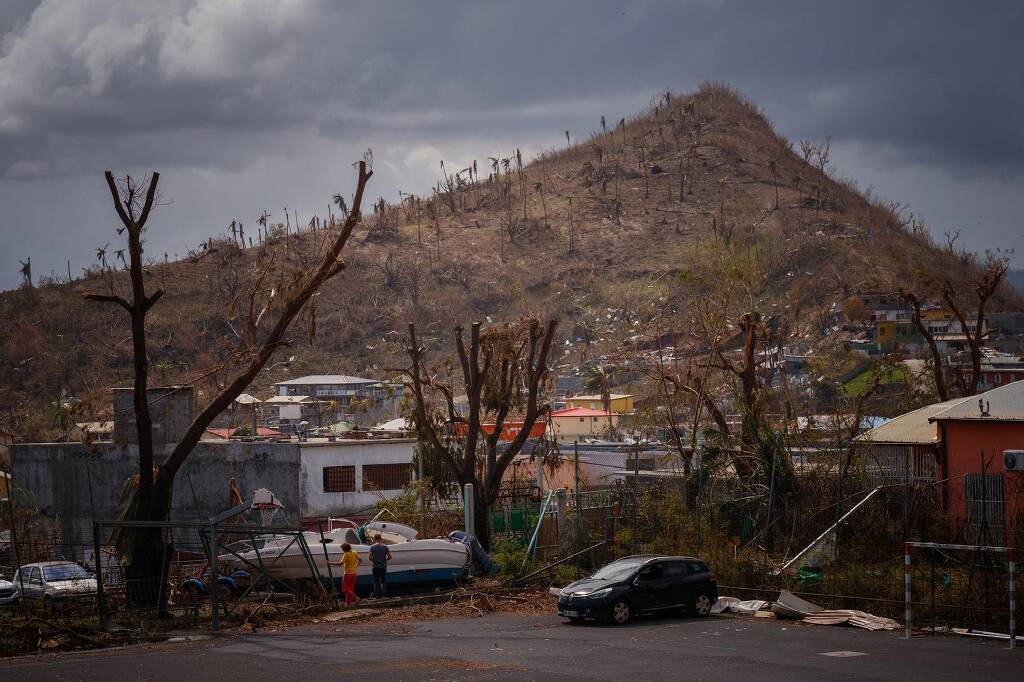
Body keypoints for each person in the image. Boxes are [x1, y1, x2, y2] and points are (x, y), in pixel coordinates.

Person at [368, 534, 392, 599]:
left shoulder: (372, 547)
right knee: (383, 581)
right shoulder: (385, 547)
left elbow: (370, 558)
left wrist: (374, 560)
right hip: (383, 566)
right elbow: (390, 557)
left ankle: (377, 595)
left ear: (374, 539)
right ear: (380, 538)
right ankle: (383, 595)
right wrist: (384, 560)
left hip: (375, 566)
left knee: (376, 582)